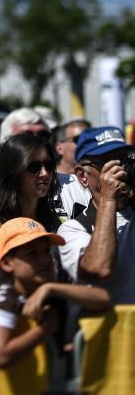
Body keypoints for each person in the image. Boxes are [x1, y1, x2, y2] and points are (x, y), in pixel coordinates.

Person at [0, 217, 109, 369]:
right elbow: (1, 356)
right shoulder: (2, 297)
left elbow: (103, 298)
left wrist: (49, 288)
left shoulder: (49, 288)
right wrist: (46, 328)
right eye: (32, 254)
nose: (44, 259)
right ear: (7, 263)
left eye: (47, 251)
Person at [0, 133, 61, 301]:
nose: (44, 174)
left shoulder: (52, 221)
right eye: (33, 167)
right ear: (13, 172)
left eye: (49, 165)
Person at [58, 126, 135, 303]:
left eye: (123, 160)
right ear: (83, 176)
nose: (120, 170)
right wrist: (109, 200)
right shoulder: (74, 229)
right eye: (108, 162)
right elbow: (98, 268)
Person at [54, 119, 92, 219]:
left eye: (90, 139)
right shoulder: (47, 181)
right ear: (59, 148)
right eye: (77, 139)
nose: (85, 144)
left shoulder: (99, 178)